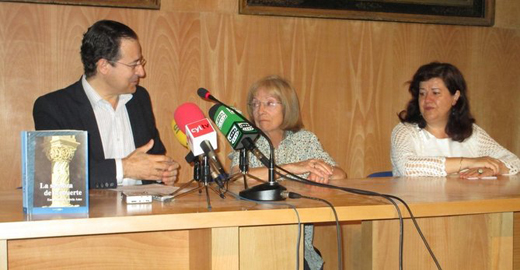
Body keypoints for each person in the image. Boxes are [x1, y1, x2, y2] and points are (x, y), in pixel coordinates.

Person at [33, 20, 179, 189]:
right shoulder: (54, 107)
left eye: (141, 62)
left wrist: (164, 171)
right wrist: (124, 168)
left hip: (143, 212)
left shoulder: (140, 99)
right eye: (134, 65)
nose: (141, 72)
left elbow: (153, 155)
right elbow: (59, 174)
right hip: (91, 213)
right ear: (103, 66)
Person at [229, 75, 347, 270]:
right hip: (253, 243)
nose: (260, 110)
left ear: (287, 107)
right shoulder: (246, 140)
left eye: (269, 103)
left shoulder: (304, 139)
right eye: (255, 104)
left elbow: (340, 174)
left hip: (298, 246)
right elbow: (237, 177)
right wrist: (291, 168)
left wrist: (322, 174)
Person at [391, 62, 520, 178]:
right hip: (418, 204)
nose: (427, 100)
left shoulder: (472, 133)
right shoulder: (405, 131)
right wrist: (469, 163)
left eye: (435, 93)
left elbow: (514, 161)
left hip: (465, 204)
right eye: (422, 93)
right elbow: (407, 167)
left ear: (455, 97)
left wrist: (491, 169)